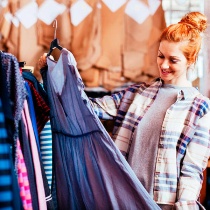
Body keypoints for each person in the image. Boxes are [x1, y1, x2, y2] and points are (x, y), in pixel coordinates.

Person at [38, 11, 210, 210]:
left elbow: (191, 170)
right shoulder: (137, 94)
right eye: (160, 56)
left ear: (190, 60)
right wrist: (56, 75)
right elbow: (87, 108)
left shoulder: (200, 108)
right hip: (123, 197)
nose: (163, 65)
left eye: (173, 60)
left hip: (162, 205)